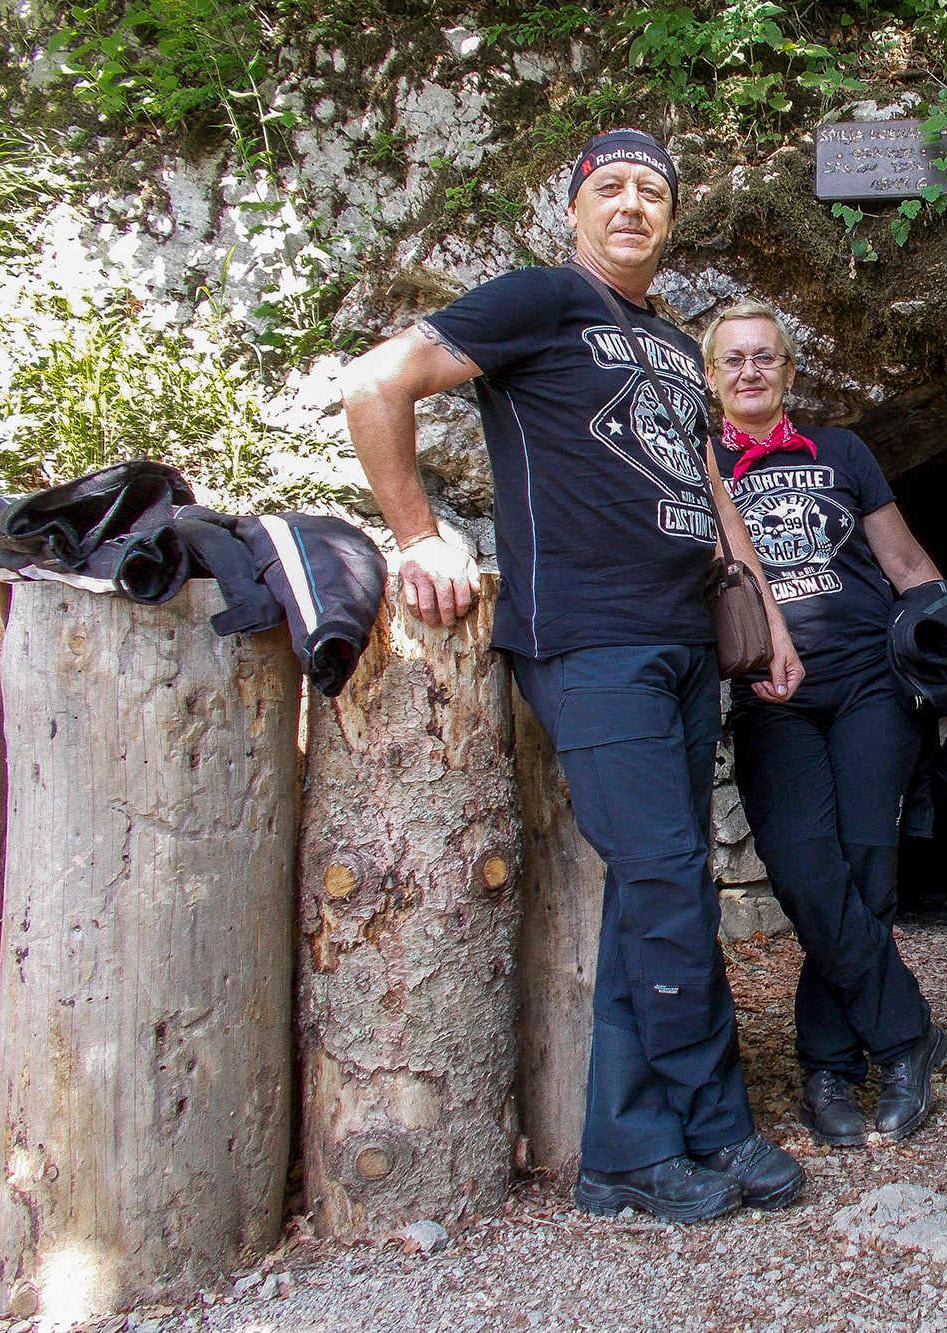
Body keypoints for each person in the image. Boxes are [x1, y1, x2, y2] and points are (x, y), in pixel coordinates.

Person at [337, 131, 811, 1222]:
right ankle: (716, 1125)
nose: (633, 205)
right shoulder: (542, 300)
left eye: (653, 191)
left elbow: (708, 483)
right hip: (589, 641)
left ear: (671, 217)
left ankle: (625, 1151)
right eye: (612, 188)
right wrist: (417, 534)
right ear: (577, 210)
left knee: (655, 886)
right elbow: (376, 382)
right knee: (668, 876)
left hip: (685, 639)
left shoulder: (668, 341)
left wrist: (765, 609)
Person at [700, 300, 947, 1144]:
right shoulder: (696, 466)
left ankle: (830, 1069)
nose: (749, 370)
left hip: (871, 683)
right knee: (808, 872)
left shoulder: (842, 451)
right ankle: (908, 1034)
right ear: (710, 376)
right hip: (770, 695)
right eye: (733, 359)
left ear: (789, 371)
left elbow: (904, 561)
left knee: (866, 874)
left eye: (764, 356)